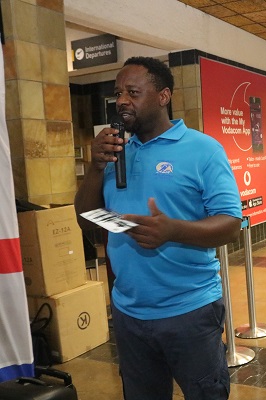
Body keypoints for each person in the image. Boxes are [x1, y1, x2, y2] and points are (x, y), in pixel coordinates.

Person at [74, 56, 242, 399]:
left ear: (163, 96)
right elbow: (86, 218)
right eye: (118, 92)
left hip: (190, 311)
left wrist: (172, 231)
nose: (122, 100)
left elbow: (230, 225)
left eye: (133, 92)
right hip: (128, 312)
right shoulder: (115, 152)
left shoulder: (203, 150)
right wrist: (93, 167)